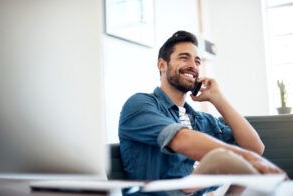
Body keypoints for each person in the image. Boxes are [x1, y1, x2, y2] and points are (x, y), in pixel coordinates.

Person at [118, 30, 287, 196]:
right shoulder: (140, 104)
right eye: (184, 57)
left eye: (197, 61)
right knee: (225, 158)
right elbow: (181, 140)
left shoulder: (204, 121)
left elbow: (254, 148)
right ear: (162, 65)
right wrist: (245, 158)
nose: (193, 65)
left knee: (239, 164)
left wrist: (218, 99)